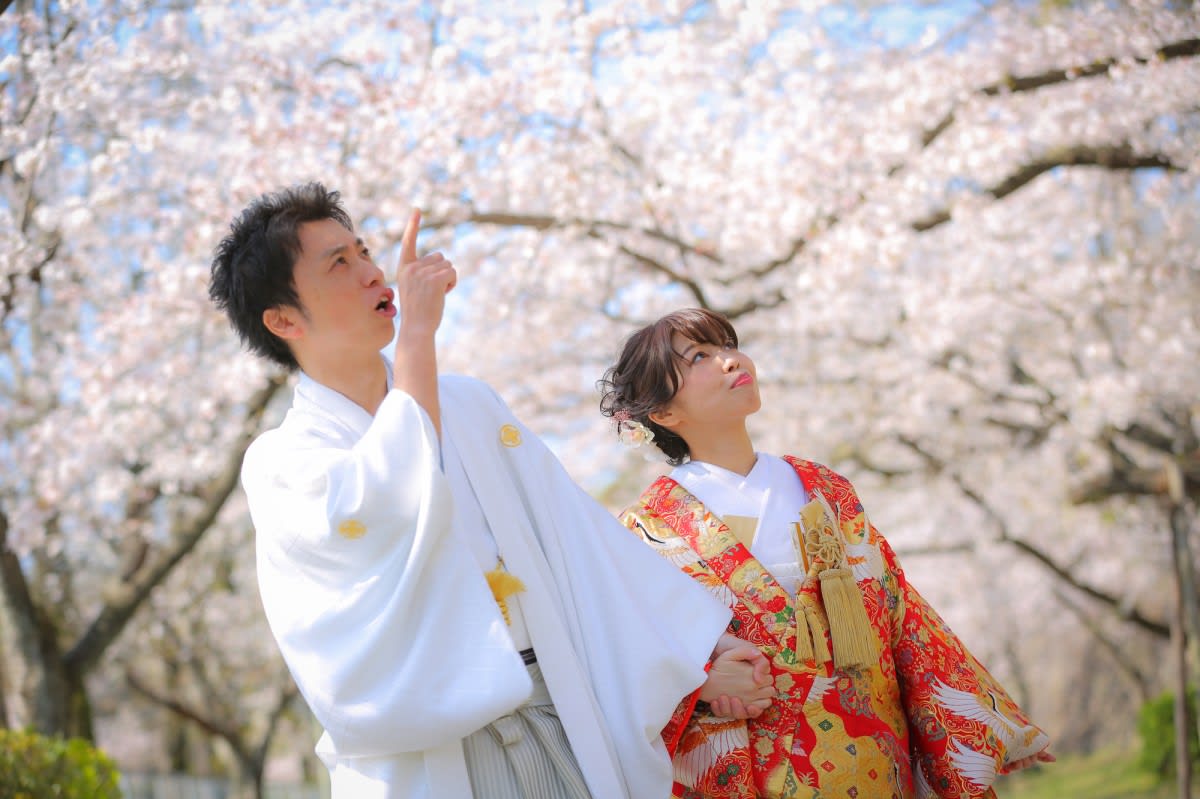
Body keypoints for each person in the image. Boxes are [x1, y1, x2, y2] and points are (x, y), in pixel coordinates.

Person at [207, 185, 774, 799]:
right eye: (338, 263)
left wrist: (698, 646)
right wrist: (417, 335)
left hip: (555, 710)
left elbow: (578, 535)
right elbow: (388, 499)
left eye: (364, 251)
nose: (372, 272)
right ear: (283, 320)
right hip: (427, 754)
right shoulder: (284, 462)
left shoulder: (470, 406)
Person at [597, 307, 1054, 799]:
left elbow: (898, 607)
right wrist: (701, 682)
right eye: (699, 357)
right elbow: (629, 653)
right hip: (758, 763)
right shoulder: (646, 528)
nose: (731, 360)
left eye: (728, 345)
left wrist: (985, 723)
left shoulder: (824, 487)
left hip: (877, 752)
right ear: (664, 414)